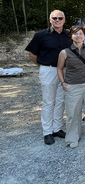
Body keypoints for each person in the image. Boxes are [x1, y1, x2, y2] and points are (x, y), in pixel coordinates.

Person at [25, 10, 72, 145]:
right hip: (49, 70)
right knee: (48, 101)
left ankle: (57, 128)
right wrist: (44, 66)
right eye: (54, 18)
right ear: (50, 20)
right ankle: (47, 131)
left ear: (64, 20)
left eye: (60, 18)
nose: (57, 20)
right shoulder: (40, 35)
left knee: (60, 100)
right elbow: (32, 55)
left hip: (65, 71)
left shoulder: (69, 35)